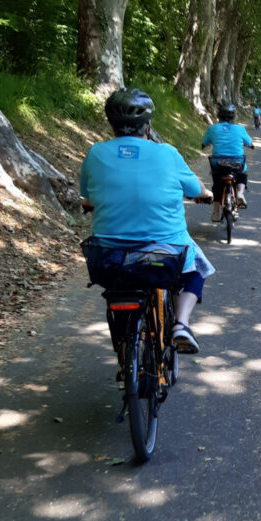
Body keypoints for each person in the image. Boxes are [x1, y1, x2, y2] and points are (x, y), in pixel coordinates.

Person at [79, 88, 214, 355]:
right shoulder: (167, 153)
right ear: (147, 125)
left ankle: (124, 347)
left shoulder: (95, 154)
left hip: (108, 255)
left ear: (111, 124)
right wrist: (206, 194)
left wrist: (90, 203)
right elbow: (196, 190)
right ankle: (181, 326)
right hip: (163, 252)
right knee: (195, 266)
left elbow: (89, 196)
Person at [201, 101, 254, 220]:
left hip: (218, 163)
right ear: (233, 116)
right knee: (242, 174)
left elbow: (204, 142)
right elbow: (249, 142)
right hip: (237, 163)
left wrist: (204, 145)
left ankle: (215, 212)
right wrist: (251, 145)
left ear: (218, 115)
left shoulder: (212, 128)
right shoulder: (240, 129)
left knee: (216, 185)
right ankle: (240, 193)